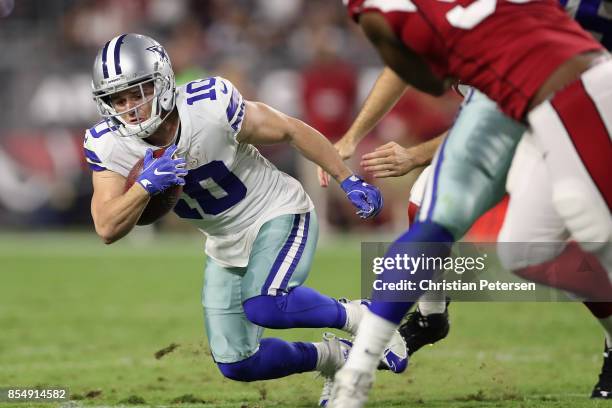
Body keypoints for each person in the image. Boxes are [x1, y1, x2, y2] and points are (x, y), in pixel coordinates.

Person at [83, 33, 407, 402]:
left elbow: (289, 129)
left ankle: (364, 317)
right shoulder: (108, 143)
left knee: (266, 304)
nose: (129, 108)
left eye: (137, 92)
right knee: (238, 364)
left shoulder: (209, 106)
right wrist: (144, 187)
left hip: (276, 210)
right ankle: (335, 358)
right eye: (117, 99)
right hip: (224, 242)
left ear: (163, 82)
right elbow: (107, 227)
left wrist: (346, 179)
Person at [328, 1, 612, 406]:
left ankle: (359, 372)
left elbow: (427, 72)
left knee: (593, 228)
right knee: (519, 247)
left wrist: (414, 153)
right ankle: (379, 357)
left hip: (578, 91)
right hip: (518, 102)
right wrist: (356, 134)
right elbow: (437, 76)